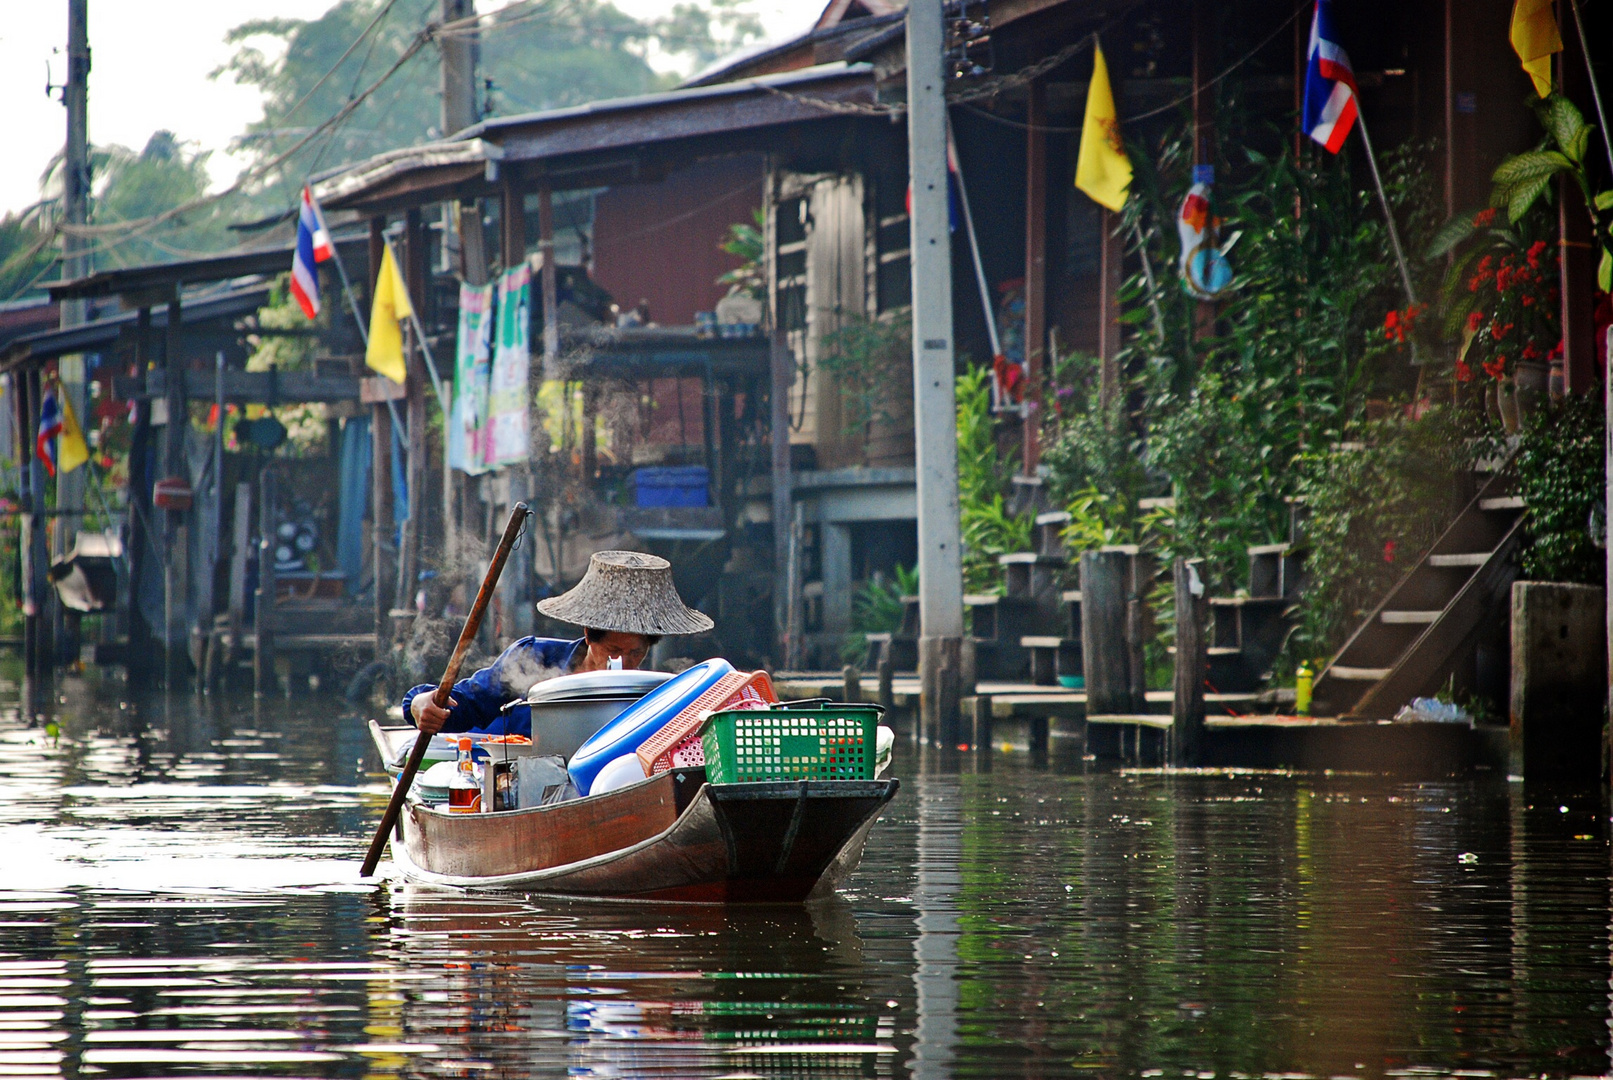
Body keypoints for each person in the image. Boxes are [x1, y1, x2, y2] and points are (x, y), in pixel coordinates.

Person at [405, 550, 713, 738]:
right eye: (614, 651)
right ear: (589, 636)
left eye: (636, 652)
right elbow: (468, 703)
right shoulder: (536, 657)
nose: (626, 662)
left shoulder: (654, 692)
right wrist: (420, 704)